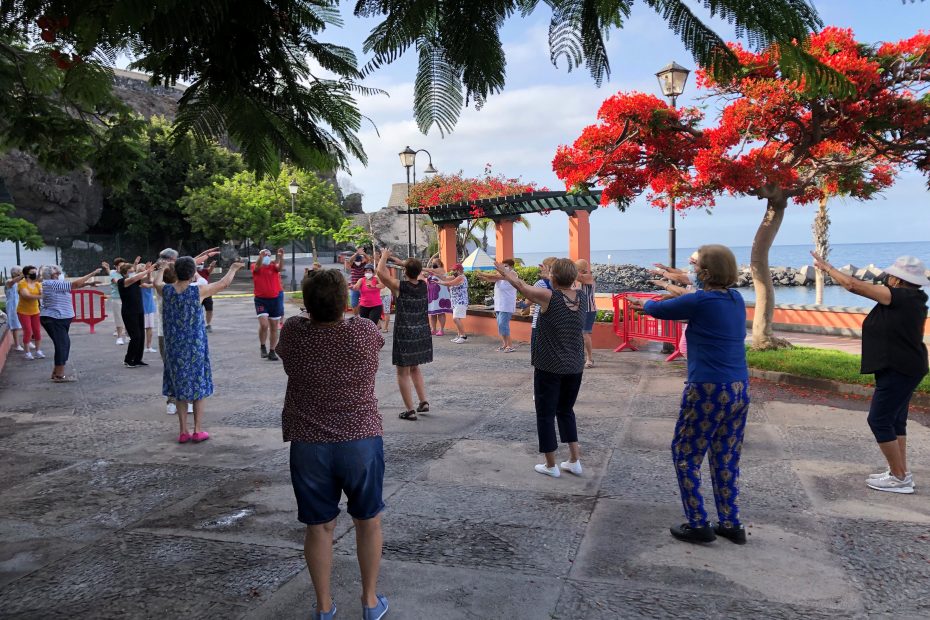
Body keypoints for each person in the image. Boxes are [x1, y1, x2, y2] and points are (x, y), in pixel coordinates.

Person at [276, 269, 389, 620]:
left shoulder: (293, 333)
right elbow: (372, 334)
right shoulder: (365, 331)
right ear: (345, 301)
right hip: (360, 440)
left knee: (319, 527)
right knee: (367, 520)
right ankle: (370, 601)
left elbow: (289, 337)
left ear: (307, 305)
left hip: (310, 446)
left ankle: (324, 608)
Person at [631, 244, 750, 545]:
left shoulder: (700, 301)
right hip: (739, 388)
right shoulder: (735, 299)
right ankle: (731, 523)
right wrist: (677, 289)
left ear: (706, 273)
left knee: (686, 455)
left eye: (697, 268)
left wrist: (641, 303)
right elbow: (691, 300)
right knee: (726, 456)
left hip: (707, 389)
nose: (694, 272)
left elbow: (656, 309)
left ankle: (698, 523)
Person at [812, 252, 929, 494]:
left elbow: (854, 285)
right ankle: (900, 472)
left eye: (891, 275)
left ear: (898, 280)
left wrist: (827, 268)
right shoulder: (911, 298)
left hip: (900, 368)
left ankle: (899, 478)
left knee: (878, 419)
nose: (887, 278)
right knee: (895, 420)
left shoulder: (901, 297)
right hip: (903, 366)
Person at [493, 258, 586, 478]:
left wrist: (506, 273)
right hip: (574, 366)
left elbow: (521, 286)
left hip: (550, 366)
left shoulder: (549, 297)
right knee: (565, 411)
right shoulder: (581, 295)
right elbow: (569, 283)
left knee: (545, 414)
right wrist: (551, 276)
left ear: (554, 277)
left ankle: (551, 465)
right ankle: (574, 460)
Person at [153, 256, 243, 443]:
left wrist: (161, 268)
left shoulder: (167, 291)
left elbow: (156, 282)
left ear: (176, 272)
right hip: (195, 347)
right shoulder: (198, 292)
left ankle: (183, 431)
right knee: (198, 388)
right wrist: (233, 268)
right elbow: (224, 283)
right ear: (193, 273)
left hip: (174, 348)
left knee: (179, 390)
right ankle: (198, 430)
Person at [376, 248, 432, 421]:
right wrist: (405, 264)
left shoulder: (400, 286)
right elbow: (418, 272)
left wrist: (384, 256)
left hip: (405, 334)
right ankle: (423, 401)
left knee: (403, 372)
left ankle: (409, 410)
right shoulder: (424, 285)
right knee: (415, 367)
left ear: (405, 272)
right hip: (422, 332)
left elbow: (380, 272)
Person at [39, 264, 102, 382]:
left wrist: (88, 284)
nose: (59, 274)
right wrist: (92, 274)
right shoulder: (50, 283)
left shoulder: (56, 284)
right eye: (56, 273)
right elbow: (75, 284)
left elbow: (72, 286)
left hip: (59, 318)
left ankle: (57, 372)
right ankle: (59, 375)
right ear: (51, 275)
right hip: (54, 318)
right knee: (62, 344)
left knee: (63, 344)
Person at [117, 261, 155, 368]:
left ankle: (138, 359)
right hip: (129, 312)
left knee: (141, 336)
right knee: (135, 336)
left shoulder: (135, 281)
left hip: (139, 310)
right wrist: (147, 270)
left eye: (133, 271)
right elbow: (133, 279)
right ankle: (128, 359)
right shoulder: (122, 281)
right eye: (130, 271)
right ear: (125, 273)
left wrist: (149, 272)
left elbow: (147, 280)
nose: (133, 273)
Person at [477, 258, 518, 352]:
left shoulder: (512, 274)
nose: (504, 267)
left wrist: (483, 273)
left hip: (507, 304)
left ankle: (510, 346)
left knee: (503, 324)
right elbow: (493, 278)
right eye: (503, 266)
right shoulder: (501, 275)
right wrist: (483, 277)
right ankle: (504, 344)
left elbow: (498, 276)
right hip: (499, 304)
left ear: (511, 266)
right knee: (500, 325)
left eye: (506, 266)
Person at [253, 248, 285, 361]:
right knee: (264, 325)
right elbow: (256, 267)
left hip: (274, 299)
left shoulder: (273, 266)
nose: (266, 256)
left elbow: (280, 267)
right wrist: (260, 257)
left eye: (268, 255)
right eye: (264, 254)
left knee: (274, 327)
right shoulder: (255, 266)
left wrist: (281, 257)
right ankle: (262, 346)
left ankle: (272, 351)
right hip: (261, 300)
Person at [16, 265, 44, 360]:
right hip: (23, 312)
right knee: (28, 331)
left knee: (37, 331)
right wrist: (41, 296)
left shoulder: (37, 284)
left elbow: (42, 291)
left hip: (35, 311)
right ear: (26, 274)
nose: (35, 274)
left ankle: (38, 351)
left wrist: (42, 293)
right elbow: (26, 295)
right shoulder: (22, 283)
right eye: (33, 272)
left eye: (35, 272)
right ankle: (27, 353)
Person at [437, 263, 469, 343]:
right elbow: (445, 278)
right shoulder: (456, 277)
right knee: (457, 318)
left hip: (460, 301)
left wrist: (439, 282)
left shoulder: (461, 277)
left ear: (459, 270)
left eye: (454, 270)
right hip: (455, 302)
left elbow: (449, 283)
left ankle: (463, 336)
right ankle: (459, 335)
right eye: (453, 270)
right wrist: (435, 274)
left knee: (455, 318)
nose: (453, 271)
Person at [530, 257, 557, 350]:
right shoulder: (561, 284)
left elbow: (528, 301)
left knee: (538, 352)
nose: (540, 268)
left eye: (542, 266)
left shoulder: (541, 283)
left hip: (540, 322)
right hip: (555, 321)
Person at [574, 259, 597, 368]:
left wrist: (568, 269)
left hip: (588, 309)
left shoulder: (588, 277)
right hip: (579, 309)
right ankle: (580, 357)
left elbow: (581, 278)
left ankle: (590, 358)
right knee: (578, 334)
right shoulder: (576, 279)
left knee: (585, 334)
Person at [425, 259, 452, 335]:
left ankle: (441, 329)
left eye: (435, 262)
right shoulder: (433, 271)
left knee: (440, 312)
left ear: (439, 263)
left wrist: (419, 268)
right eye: (432, 262)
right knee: (432, 313)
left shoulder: (440, 270)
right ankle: (433, 329)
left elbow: (429, 270)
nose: (433, 263)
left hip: (440, 295)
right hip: (432, 295)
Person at [105, 257, 128, 345]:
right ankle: (119, 337)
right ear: (116, 266)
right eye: (120, 266)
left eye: (123, 266)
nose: (122, 268)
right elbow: (117, 282)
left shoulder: (126, 273)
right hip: (117, 298)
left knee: (128, 317)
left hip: (126, 298)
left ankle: (127, 335)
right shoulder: (113, 273)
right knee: (119, 318)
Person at [4, 266, 24, 351]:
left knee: (24, 323)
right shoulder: (8, 281)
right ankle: (17, 345)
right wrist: (23, 275)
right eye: (19, 271)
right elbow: (12, 282)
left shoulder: (21, 282)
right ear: (14, 273)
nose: (21, 272)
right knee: (15, 325)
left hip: (20, 305)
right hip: (12, 306)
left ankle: (26, 341)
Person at [347, 249, 370, 316]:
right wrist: (356, 253)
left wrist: (364, 254)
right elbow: (350, 260)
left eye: (359, 261)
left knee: (365, 302)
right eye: (356, 261)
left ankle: (361, 316)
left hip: (362, 287)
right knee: (354, 304)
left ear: (361, 261)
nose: (358, 262)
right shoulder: (353, 265)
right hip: (354, 287)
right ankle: (356, 317)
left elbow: (368, 260)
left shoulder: (363, 265)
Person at [141, 267, 158, 353]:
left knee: (149, 328)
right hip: (141, 308)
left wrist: (149, 272)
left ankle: (148, 346)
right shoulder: (139, 281)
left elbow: (151, 281)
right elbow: (147, 282)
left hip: (150, 307)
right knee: (141, 329)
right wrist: (148, 271)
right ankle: (141, 347)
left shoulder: (149, 279)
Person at [198, 259, 216, 332]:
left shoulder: (205, 271)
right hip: (197, 293)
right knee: (197, 310)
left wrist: (212, 265)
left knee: (209, 309)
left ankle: (208, 325)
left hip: (207, 293)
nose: (200, 266)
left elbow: (210, 270)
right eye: (199, 264)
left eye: (201, 264)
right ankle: (198, 324)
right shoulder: (191, 272)